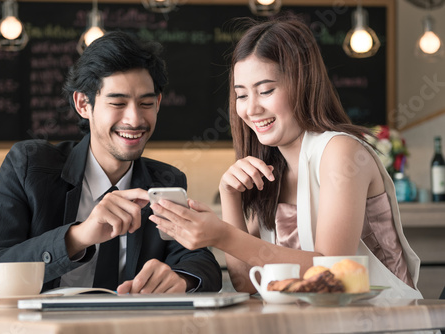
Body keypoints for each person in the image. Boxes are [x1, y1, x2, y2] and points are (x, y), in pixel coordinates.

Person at [150, 15, 422, 299]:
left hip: (388, 322)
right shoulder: (269, 169)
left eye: (266, 90)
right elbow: (247, 283)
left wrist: (224, 236)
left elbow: (331, 273)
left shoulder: (341, 151)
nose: (251, 109)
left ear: (303, 84)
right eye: (241, 95)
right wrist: (228, 196)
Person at [0, 31, 222, 297]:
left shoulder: (165, 181)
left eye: (145, 103)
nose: (134, 120)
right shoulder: (30, 166)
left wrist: (180, 279)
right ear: (83, 104)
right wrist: (78, 237)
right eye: (117, 103)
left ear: (158, 103)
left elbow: (202, 262)